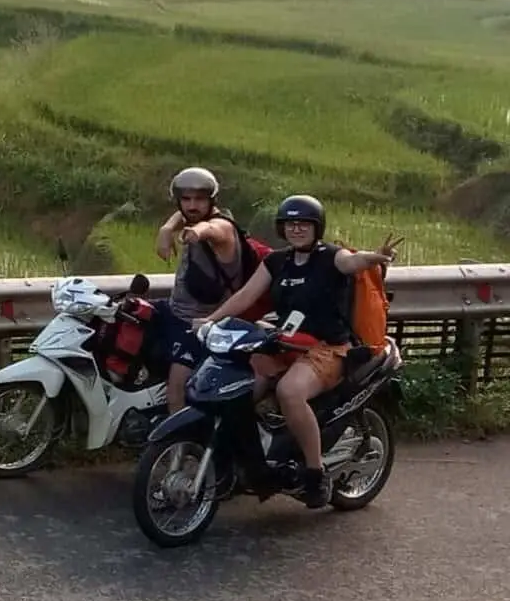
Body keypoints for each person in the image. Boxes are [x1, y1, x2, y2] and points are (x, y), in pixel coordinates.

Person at [194, 194, 398, 509]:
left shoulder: (331, 257)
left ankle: (315, 474)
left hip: (327, 348)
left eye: (304, 224)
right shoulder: (276, 262)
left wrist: (374, 257)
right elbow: (246, 297)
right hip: (285, 342)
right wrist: (209, 320)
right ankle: (251, 460)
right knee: (239, 389)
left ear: (317, 228)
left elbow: (352, 262)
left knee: (290, 391)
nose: (297, 229)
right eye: (290, 224)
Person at [153, 167, 267, 414]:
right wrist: (166, 229)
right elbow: (184, 216)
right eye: (186, 199)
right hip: (176, 311)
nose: (192, 205)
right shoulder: (191, 216)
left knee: (176, 389)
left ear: (212, 201)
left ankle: (180, 446)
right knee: (127, 317)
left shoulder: (221, 227)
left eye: (200, 199)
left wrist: (198, 232)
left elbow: (213, 228)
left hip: (202, 323)